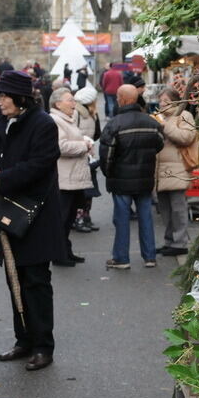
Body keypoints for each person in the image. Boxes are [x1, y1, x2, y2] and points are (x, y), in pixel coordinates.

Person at [0, 70, 65, 371]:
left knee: (36, 281)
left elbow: (40, 165)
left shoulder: (43, 124)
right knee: (14, 278)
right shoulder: (2, 122)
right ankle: (23, 340)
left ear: (19, 97)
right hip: (8, 212)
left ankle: (43, 345)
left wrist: (1, 178)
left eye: (3, 96)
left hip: (36, 215)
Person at [99, 85, 163, 270]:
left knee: (122, 219)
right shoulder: (151, 122)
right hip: (144, 178)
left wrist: (108, 173)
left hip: (121, 179)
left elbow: (106, 154)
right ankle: (150, 256)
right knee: (145, 217)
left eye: (118, 97)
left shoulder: (115, 124)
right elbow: (158, 144)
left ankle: (121, 258)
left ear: (123, 99)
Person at [49, 87, 92, 265]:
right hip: (64, 179)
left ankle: (66, 251)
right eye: (70, 100)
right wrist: (84, 145)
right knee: (62, 218)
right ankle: (59, 255)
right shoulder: (55, 120)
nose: (74, 103)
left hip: (73, 177)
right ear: (58, 103)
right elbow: (60, 147)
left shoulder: (68, 118)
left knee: (69, 217)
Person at [154, 88, 196, 256]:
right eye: (161, 100)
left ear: (175, 100)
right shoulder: (158, 116)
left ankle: (180, 243)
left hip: (176, 168)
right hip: (159, 169)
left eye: (166, 100)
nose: (163, 103)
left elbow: (187, 137)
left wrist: (165, 127)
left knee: (178, 208)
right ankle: (169, 240)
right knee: (164, 208)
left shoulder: (184, 116)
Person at [73, 84, 101, 232]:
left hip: (88, 155)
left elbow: (97, 133)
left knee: (89, 189)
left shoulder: (91, 113)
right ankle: (78, 219)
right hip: (80, 155)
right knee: (81, 190)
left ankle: (86, 217)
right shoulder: (78, 113)